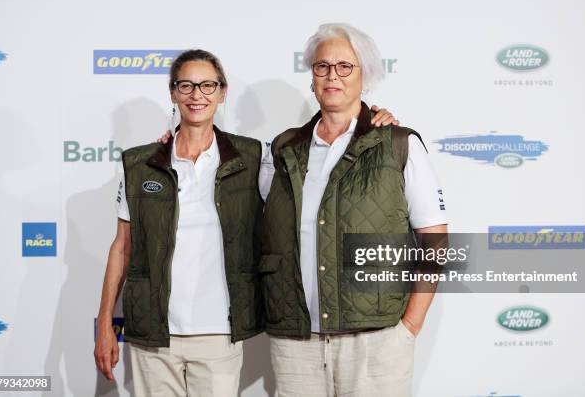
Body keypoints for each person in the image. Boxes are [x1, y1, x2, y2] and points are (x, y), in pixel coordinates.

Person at [94, 48, 398, 396]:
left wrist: (370, 120)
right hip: (152, 335)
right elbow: (121, 247)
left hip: (220, 334)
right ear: (173, 93)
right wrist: (105, 322)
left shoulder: (254, 157)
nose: (197, 96)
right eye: (187, 86)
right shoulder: (139, 163)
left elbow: (305, 205)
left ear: (222, 93)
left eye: (208, 85)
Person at [260, 23, 448, 396]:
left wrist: (408, 326)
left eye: (345, 66)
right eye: (322, 66)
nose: (332, 75)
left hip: (376, 343)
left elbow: (436, 240)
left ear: (366, 75)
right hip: (297, 343)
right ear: (311, 75)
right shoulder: (282, 150)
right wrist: (175, 137)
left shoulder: (399, 144)